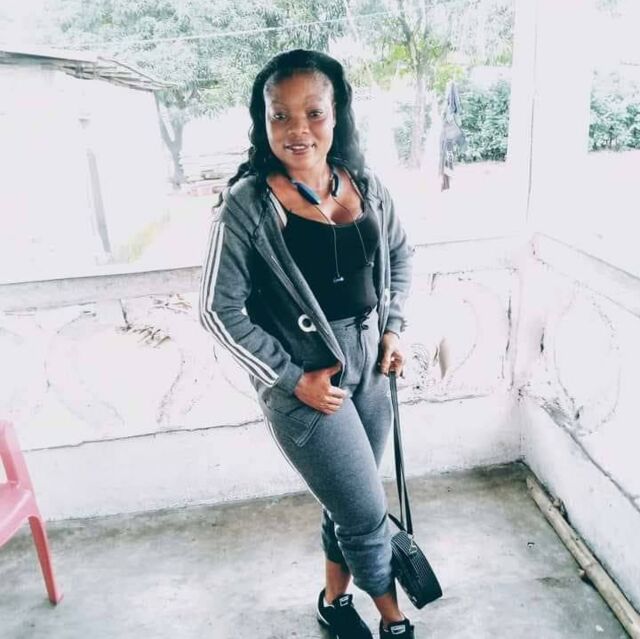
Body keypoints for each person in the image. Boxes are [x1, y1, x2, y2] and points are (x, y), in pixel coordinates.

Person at [199, 48, 414, 639]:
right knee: (366, 513)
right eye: (280, 115)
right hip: (310, 384)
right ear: (263, 121)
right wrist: (292, 379)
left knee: (346, 499)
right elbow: (217, 310)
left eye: (314, 112)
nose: (298, 130)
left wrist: (393, 328)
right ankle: (394, 621)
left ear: (337, 113)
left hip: (372, 369)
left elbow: (400, 255)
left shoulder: (365, 185)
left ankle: (333, 602)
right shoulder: (248, 205)